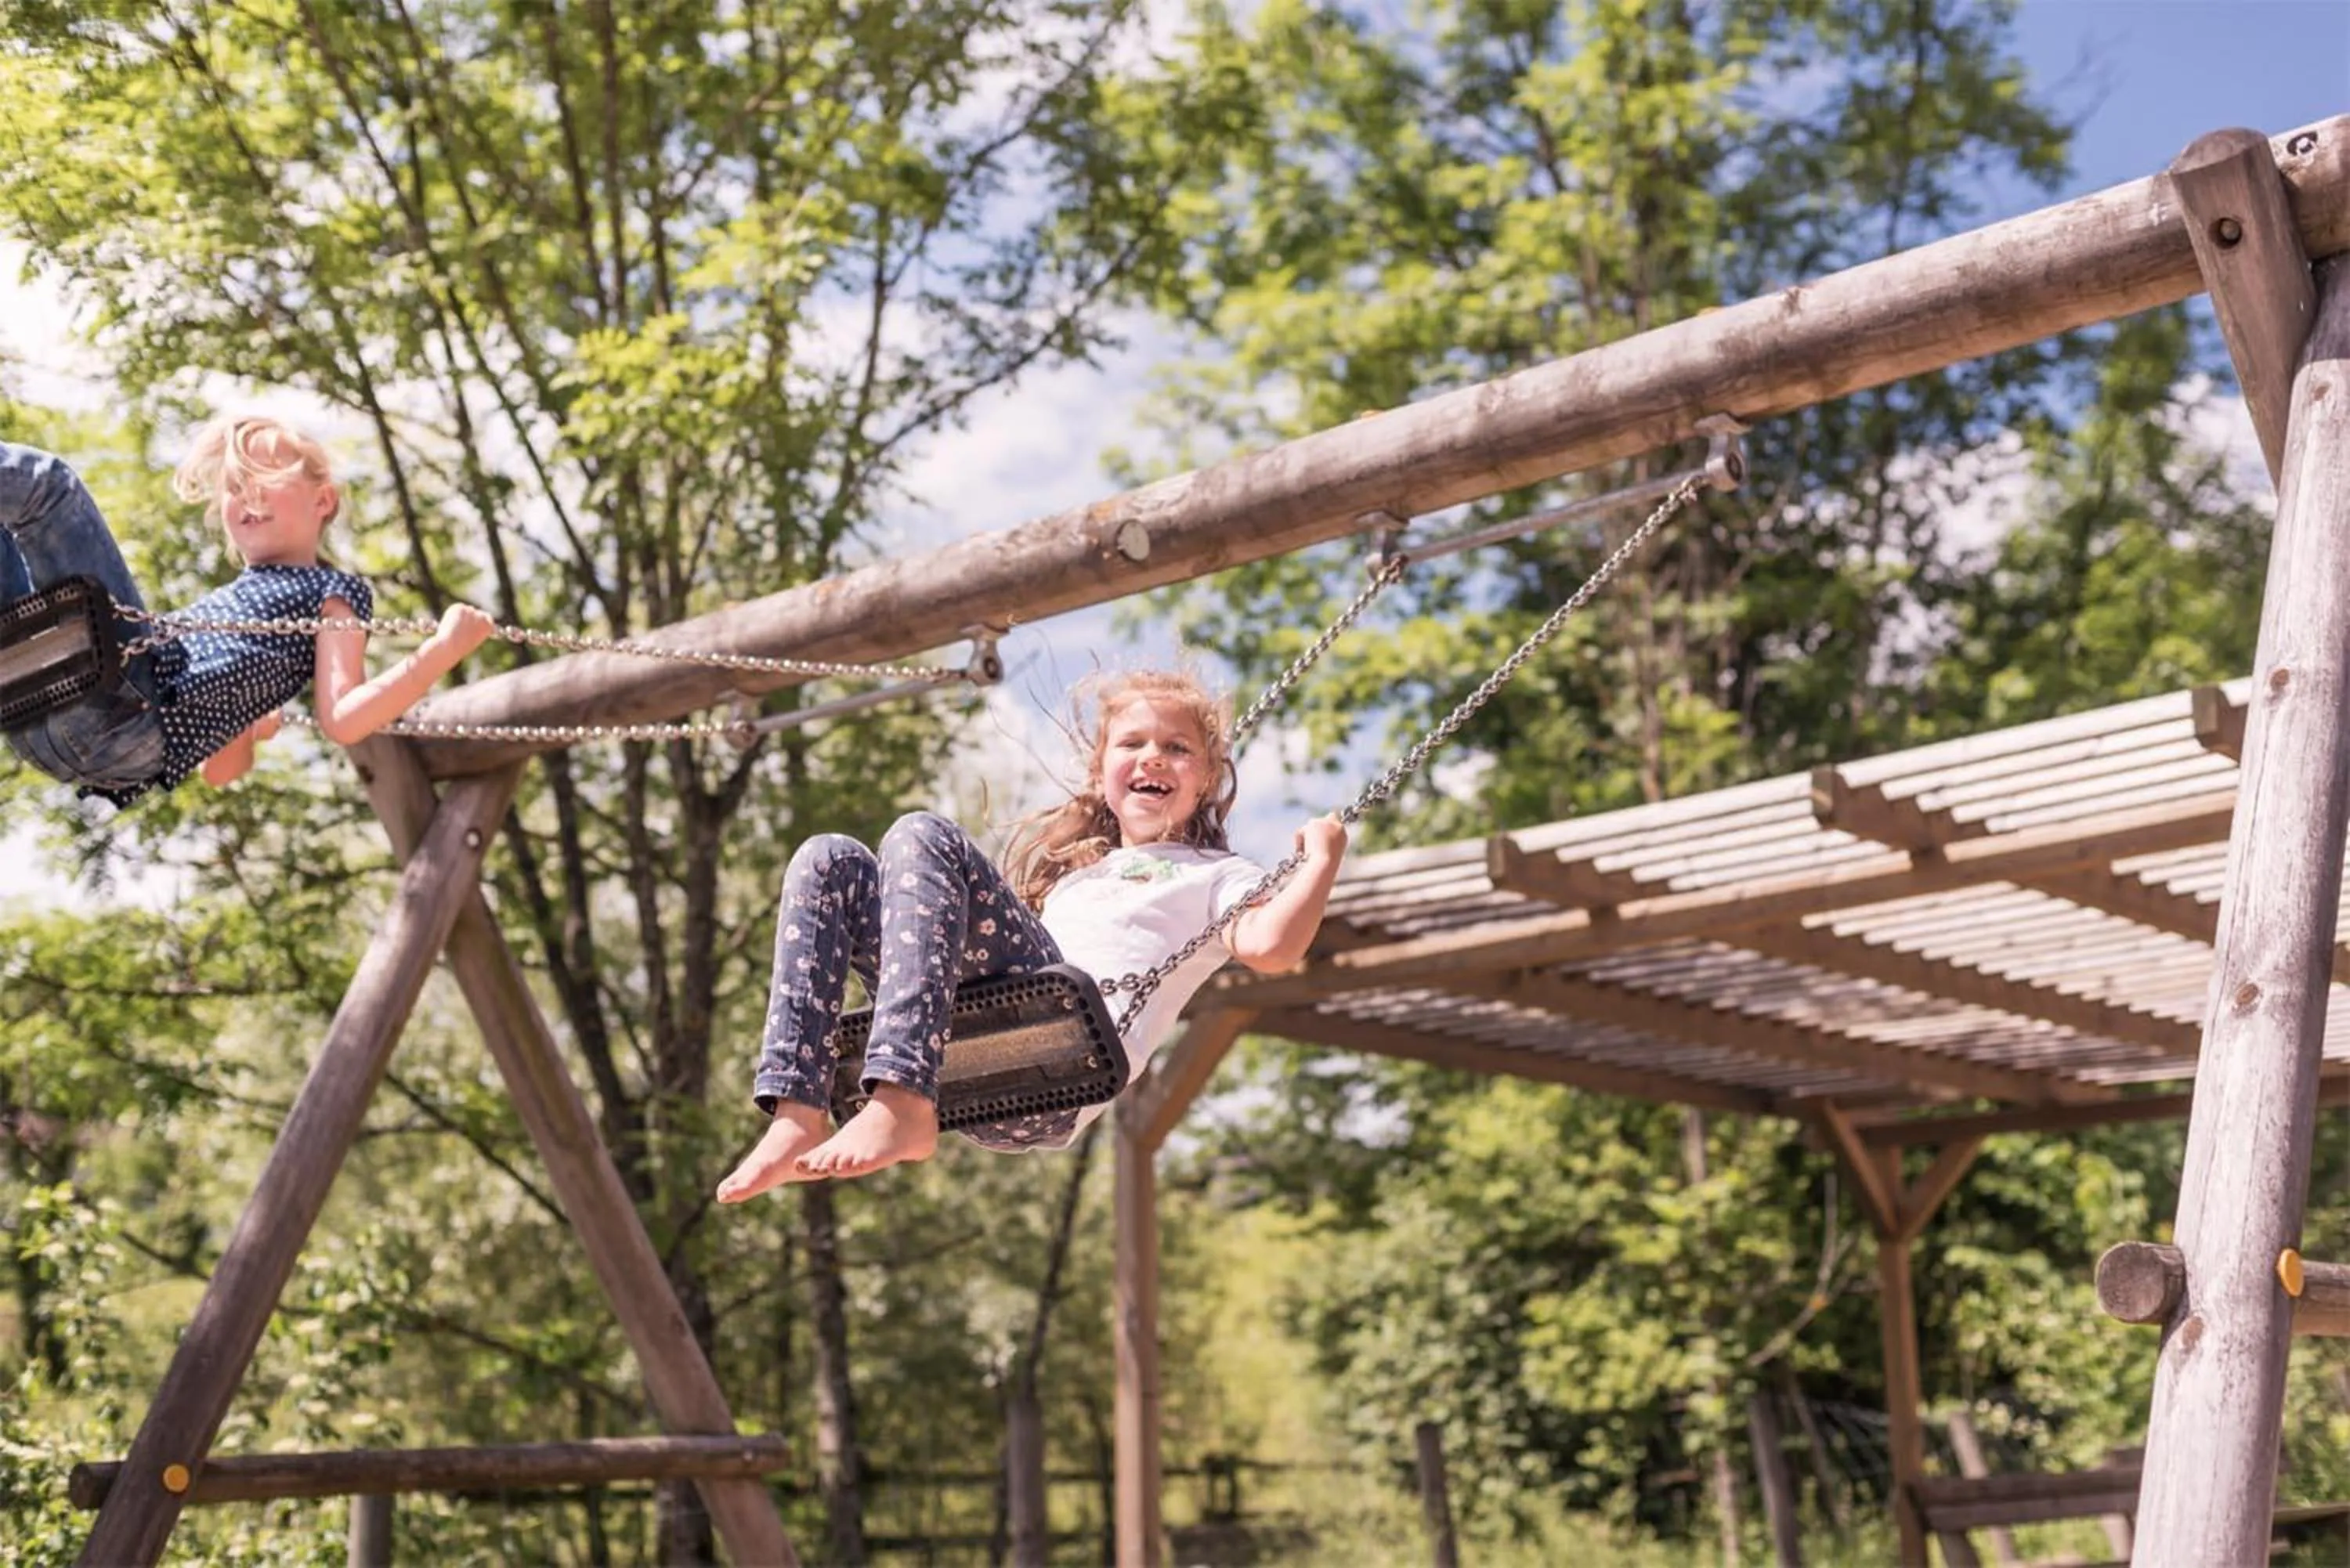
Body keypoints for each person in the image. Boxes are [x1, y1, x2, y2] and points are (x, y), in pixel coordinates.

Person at [717, 669, 1347, 1194]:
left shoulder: (1216, 875)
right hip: (977, 1052)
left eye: (1177, 749)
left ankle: (902, 1099)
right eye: (1133, 744)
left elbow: (1272, 948)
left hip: (1060, 1065)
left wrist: (1320, 861)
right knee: (828, 861)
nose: (1153, 756)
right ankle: (798, 1114)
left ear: (1206, 778)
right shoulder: (1074, 878)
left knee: (921, 834)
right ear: (1102, 771)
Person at [0, 417, 494, 807]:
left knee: (49, 488)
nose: (248, 496)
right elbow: (222, 772)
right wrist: (246, 724)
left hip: (129, 711)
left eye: (266, 480)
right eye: (236, 487)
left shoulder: (331, 590)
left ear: (322, 499)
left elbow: (344, 720)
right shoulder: (240, 613)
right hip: (52, 715)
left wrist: (442, 651)